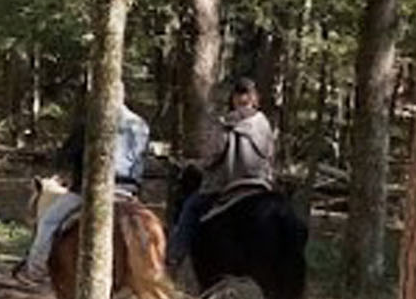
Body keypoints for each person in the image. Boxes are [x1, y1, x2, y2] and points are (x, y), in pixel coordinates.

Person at [14, 98, 151, 285]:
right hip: (128, 191)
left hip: (92, 190)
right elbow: (140, 162)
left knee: (49, 221)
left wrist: (67, 172)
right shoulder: (140, 125)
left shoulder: (93, 120)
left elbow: (68, 154)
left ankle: (35, 269)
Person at [168, 77, 276, 268]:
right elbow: (270, 155)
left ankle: (174, 255)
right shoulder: (265, 124)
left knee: (191, 208)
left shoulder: (228, 122)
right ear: (254, 98)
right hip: (261, 185)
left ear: (234, 98)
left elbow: (213, 157)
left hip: (229, 186)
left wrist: (193, 164)